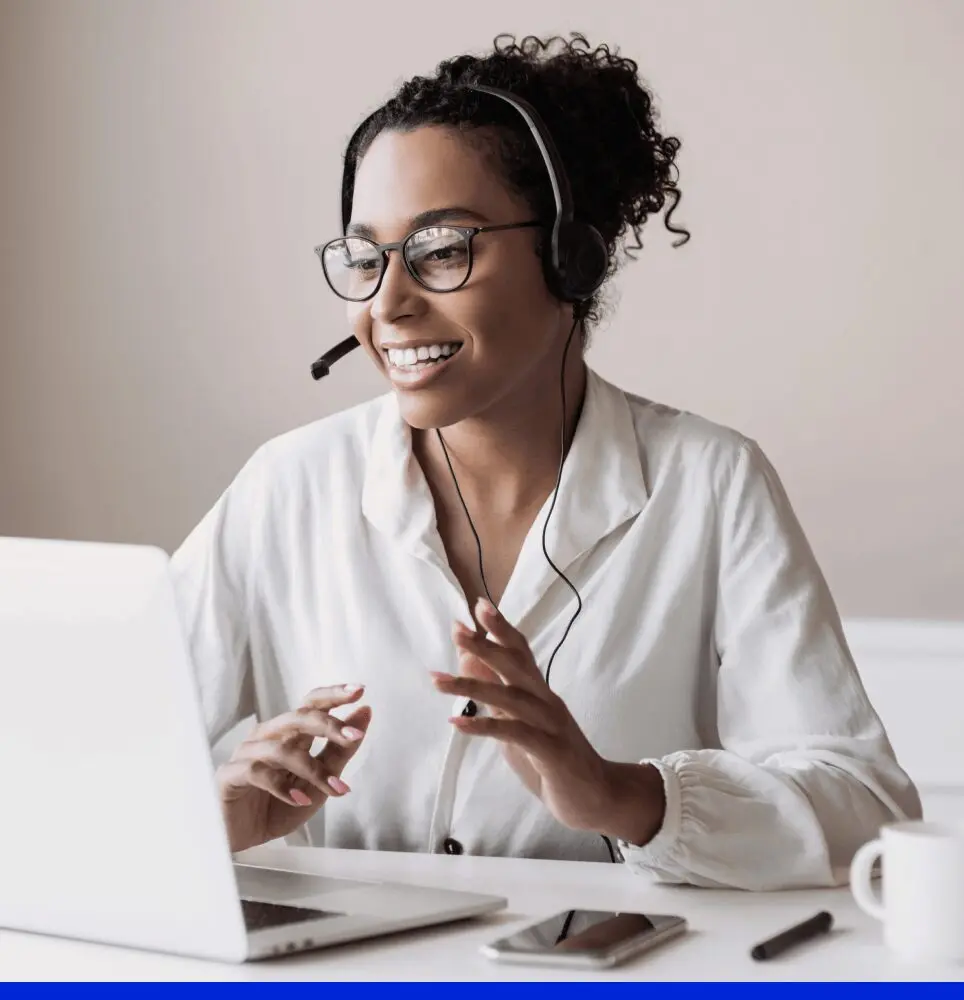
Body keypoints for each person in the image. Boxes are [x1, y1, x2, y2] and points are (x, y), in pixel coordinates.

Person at [170, 33, 921, 890]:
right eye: (367, 258)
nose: (388, 306)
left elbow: (866, 810)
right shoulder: (287, 487)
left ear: (571, 256)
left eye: (442, 249)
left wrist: (624, 795)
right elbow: (82, 767)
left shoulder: (710, 484)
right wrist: (206, 814)